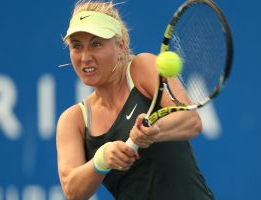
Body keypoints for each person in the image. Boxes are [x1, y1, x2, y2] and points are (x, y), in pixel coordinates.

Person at [56, 1, 215, 199]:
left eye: (96, 44)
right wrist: (101, 159)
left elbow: (192, 121)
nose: (85, 57)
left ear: (121, 45)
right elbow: (72, 190)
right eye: (77, 46)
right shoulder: (73, 121)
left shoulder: (142, 68)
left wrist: (155, 131)